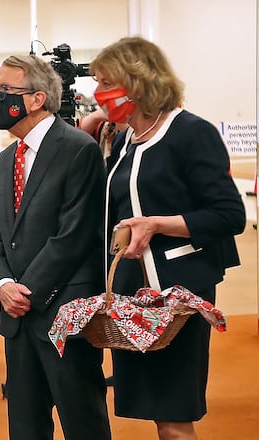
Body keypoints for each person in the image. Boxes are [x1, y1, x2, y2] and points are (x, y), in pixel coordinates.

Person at [90, 36, 245, 440]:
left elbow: (229, 214)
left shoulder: (191, 132)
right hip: (134, 295)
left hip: (179, 296)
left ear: (135, 81)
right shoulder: (124, 138)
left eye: (105, 81)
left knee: (175, 415)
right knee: (157, 410)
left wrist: (158, 224)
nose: (97, 93)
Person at [0, 54, 111, 440]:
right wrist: (3, 285)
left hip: (65, 315)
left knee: (82, 421)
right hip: (18, 319)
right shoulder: (5, 159)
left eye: (5, 90)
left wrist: (29, 292)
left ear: (37, 98)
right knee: (25, 425)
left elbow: (74, 235)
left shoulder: (78, 149)